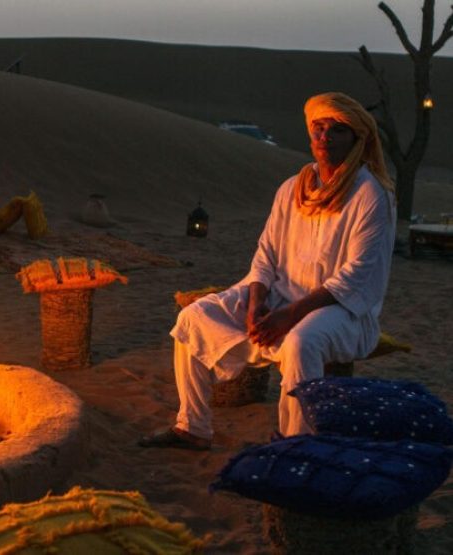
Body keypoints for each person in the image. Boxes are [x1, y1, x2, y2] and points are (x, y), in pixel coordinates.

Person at [140, 92, 397, 450]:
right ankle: (192, 427)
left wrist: (289, 314)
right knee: (194, 317)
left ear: (356, 139)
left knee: (300, 342)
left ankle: (294, 446)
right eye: (318, 128)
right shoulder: (292, 189)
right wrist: (255, 304)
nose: (325, 137)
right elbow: (266, 255)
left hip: (343, 311)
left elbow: (354, 276)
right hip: (279, 297)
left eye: (337, 130)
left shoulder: (371, 194)